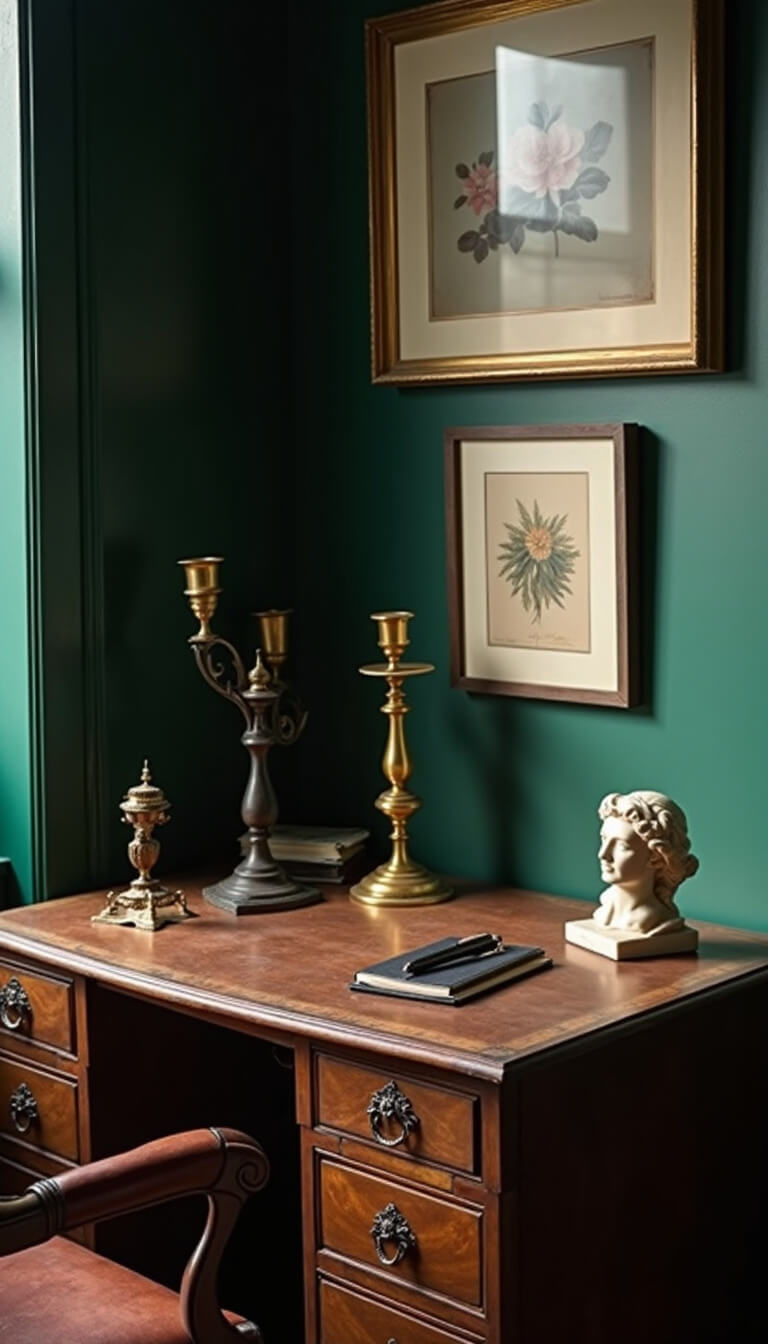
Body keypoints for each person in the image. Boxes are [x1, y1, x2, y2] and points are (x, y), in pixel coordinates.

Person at [593, 790, 699, 936]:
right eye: (604, 839)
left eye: (622, 846)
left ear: (655, 856)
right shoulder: (605, 906)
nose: (603, 855)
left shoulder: (652, 919)